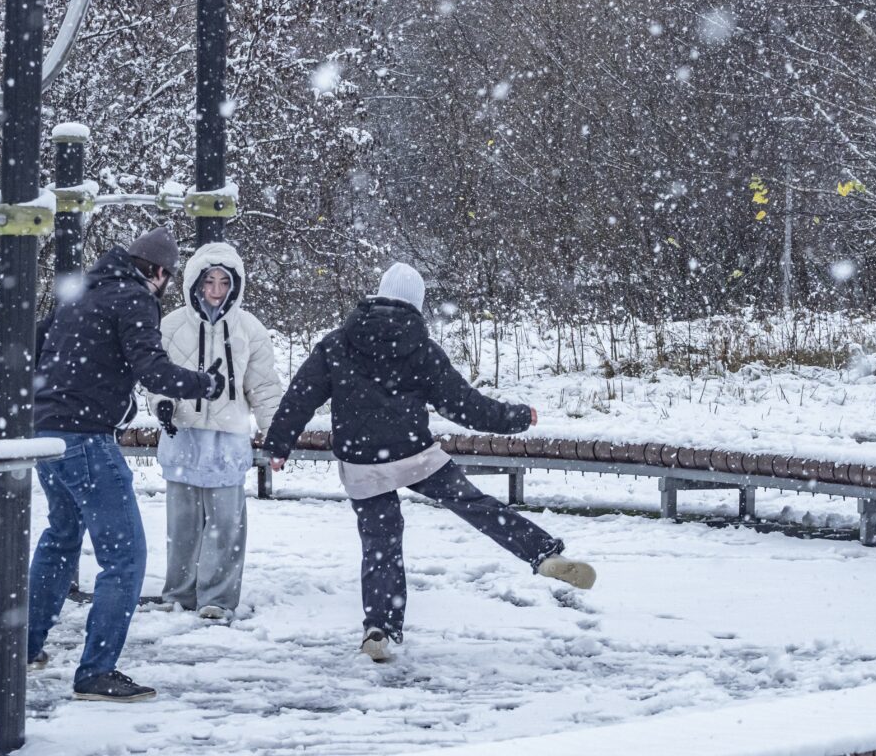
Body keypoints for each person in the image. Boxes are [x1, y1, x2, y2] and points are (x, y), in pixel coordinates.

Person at [262, 262, 596, 662]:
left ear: (379, 293)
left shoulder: (336, 343)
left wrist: (279, 445)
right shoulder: (420, 347)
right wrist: (517, 417)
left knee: (381, 545)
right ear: (416, 303)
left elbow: (301, 396)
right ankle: (543, 554)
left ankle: (380, 626)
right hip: (415, 455)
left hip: (363, 464)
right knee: (475, 505)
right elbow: (464, 405)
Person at [29, 226, 225, 702]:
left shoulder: (79, 293)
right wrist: (204, 384)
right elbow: (151, 368)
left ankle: (24, 646)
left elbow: (36, 349)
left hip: (47, 433)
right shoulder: (133, 297)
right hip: (87, 440)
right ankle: (96, 673)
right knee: (126, 557)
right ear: (158, 272)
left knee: (60, 539)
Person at [146, 242, 284, 620]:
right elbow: (155, 377)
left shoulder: (249, 329)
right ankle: (179, 593)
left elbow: (264, 387)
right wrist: (162, 404)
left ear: (235, 285)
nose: (217, 290)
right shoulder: (171, 325)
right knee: (183, 526)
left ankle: (217, 598)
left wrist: (276, 436)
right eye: (210, 281)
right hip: (184, 436)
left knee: (225, 526)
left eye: (225, 282)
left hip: (228, 440)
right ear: (196, 282)